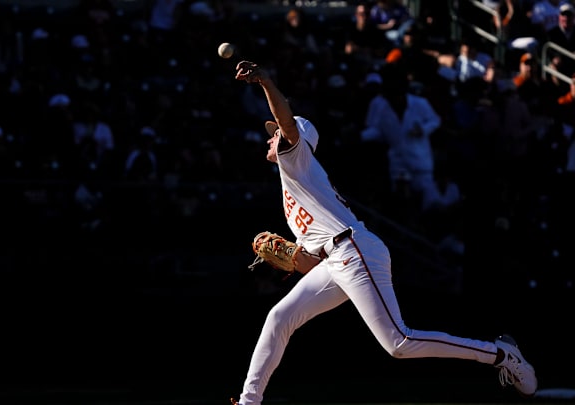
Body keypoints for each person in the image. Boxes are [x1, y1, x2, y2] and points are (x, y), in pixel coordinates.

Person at [228, 60, 538, 405]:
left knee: (399, 343)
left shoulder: (296, 159)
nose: (271, 136)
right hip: (338, 257)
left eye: (276, 133)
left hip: (354, 250)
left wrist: (266, 82)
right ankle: (248, 402)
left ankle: (500, 354)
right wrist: (293, 259)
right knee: (280, 317)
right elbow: (311, 266)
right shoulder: (296, 188)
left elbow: (287, 123)